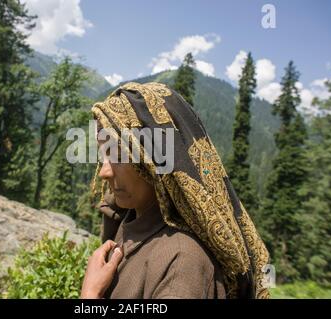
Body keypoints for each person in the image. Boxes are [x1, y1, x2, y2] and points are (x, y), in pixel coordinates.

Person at [80, 82, 270, 299]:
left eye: (119, 155)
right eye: (102, 153)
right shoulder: (131, 216)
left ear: (154, 159)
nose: (104, 172)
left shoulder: (181, 263)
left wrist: (90, 296)